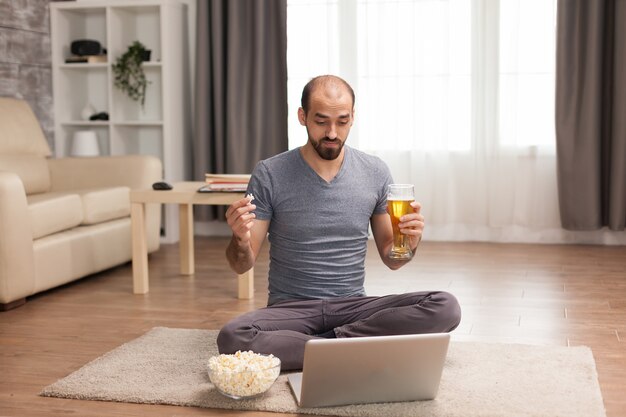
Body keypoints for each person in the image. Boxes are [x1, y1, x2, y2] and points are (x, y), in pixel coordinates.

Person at [217, 75, 461, 370]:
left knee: (445, 306)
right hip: (291, 311)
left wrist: (409, 242)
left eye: (342, 121)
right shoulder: (270, 173)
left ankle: (323, 347)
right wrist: (239, 240)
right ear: (302, 117)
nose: (332, 132)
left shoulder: (375, 171)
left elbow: (393, 260)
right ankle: (358, 348)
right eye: (321, 121)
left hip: (352, 307)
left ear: (352, 118)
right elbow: (241, 263)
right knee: (233, 337)